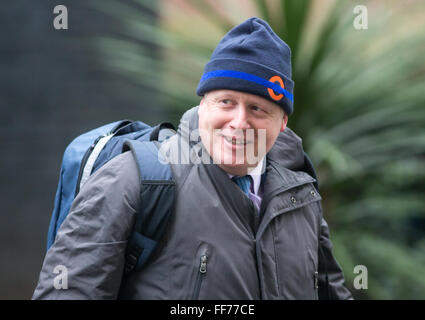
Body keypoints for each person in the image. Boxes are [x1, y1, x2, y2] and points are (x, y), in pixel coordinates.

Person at [33, 17, 352, 300]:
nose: (239, 122)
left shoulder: (300, 193)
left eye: (258, 109)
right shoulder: (135, 180)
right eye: (226, 102)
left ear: (282, 123)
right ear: (203, 105)